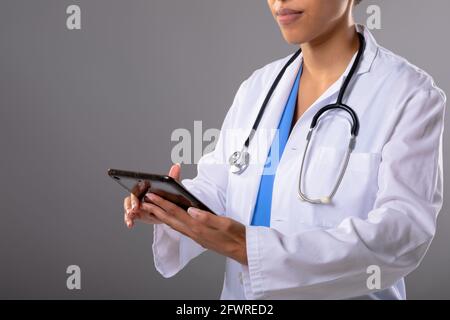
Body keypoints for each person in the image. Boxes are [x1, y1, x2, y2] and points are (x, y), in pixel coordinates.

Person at [123, 0, 446, 299]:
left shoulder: (410, 95)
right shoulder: (259, 87)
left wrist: (248, 248)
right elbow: (220, 187)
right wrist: (172, 205)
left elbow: (402, 235)